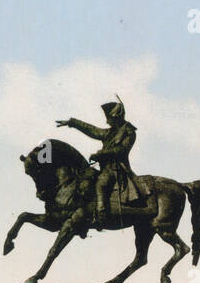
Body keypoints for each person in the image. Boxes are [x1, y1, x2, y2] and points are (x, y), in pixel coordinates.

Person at [57, 97, 149, 232]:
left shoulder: (129, 132)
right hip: (105, 168)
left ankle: (101, 215)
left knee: (101, 183)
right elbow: (93, 130)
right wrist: (73, 122)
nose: (107, 121)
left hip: (117, 170)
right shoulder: (110, 132)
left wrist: (101, 154)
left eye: (109, 118)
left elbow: (121, 150)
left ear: (116, 117)